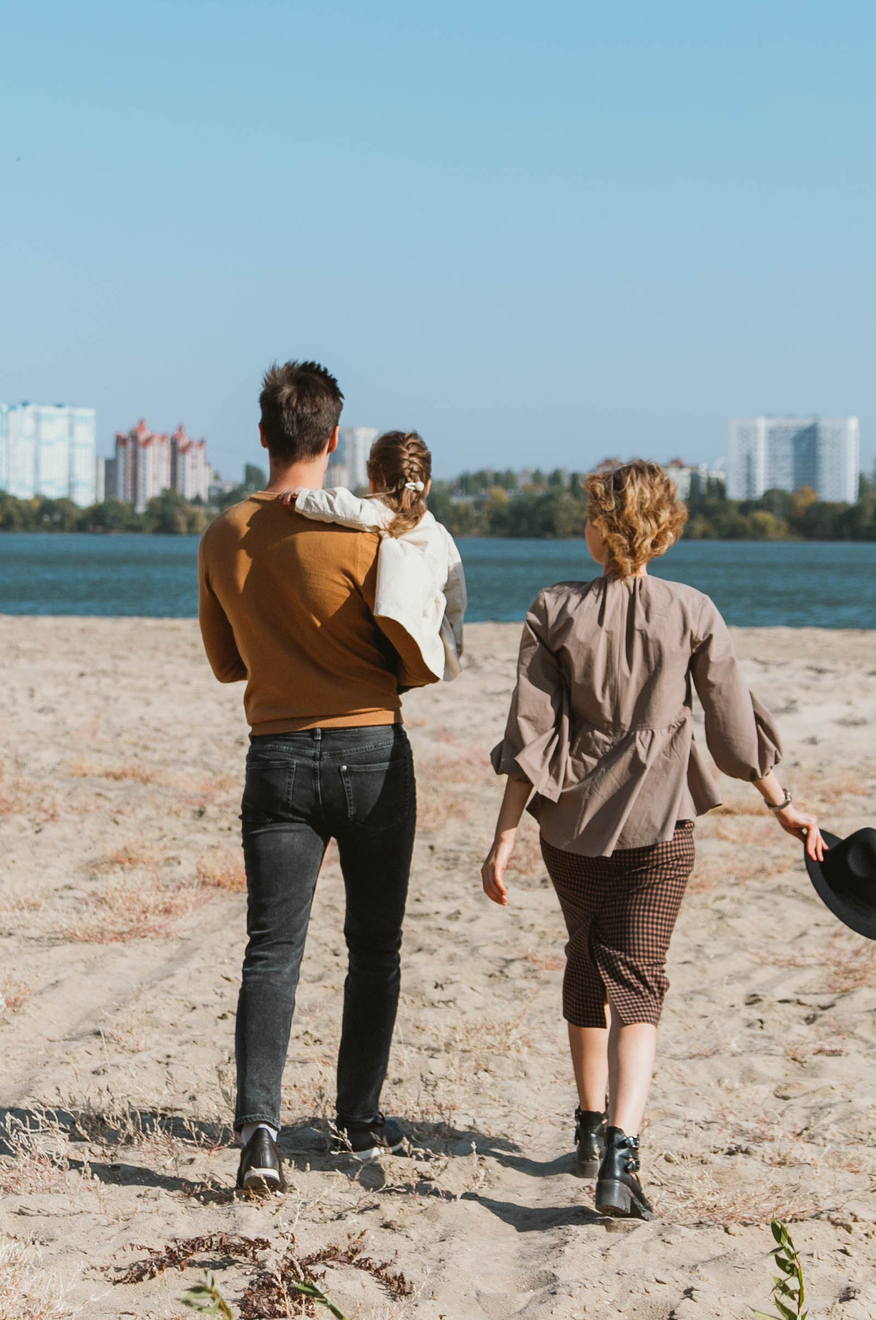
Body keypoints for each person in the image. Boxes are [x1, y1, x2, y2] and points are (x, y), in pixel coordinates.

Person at [479, 459, 824, 1221]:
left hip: (570, 829)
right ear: (665, 530)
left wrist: (504, 835)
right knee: (639, 980)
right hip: (664, 825)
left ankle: (588, 1126)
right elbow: (734, 729)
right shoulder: (693, 609)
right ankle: (622, 1151)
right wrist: (783, 804)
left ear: (599, 527)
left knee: (586, 958)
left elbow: (529, 737)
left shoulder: (553, 608)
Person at [197, 361, 420, 1196]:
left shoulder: (224, 534)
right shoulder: (371, 533)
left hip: (278, 753)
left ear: (262, 435)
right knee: (375, 945)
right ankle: (358, 1115)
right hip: (372, 752)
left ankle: (259, 1130)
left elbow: (227, 664)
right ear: (333, 440)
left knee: (272, 948)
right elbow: (414, 653)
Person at [284, 429, 467, 686]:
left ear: (372, 481)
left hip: (397, 617)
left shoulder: (379, 511)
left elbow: (343, 506)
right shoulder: (440, 533)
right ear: (427, 486)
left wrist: (303, 498)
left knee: (392, 554)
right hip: (427, 624)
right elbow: (456, 591)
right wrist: (454, 646)